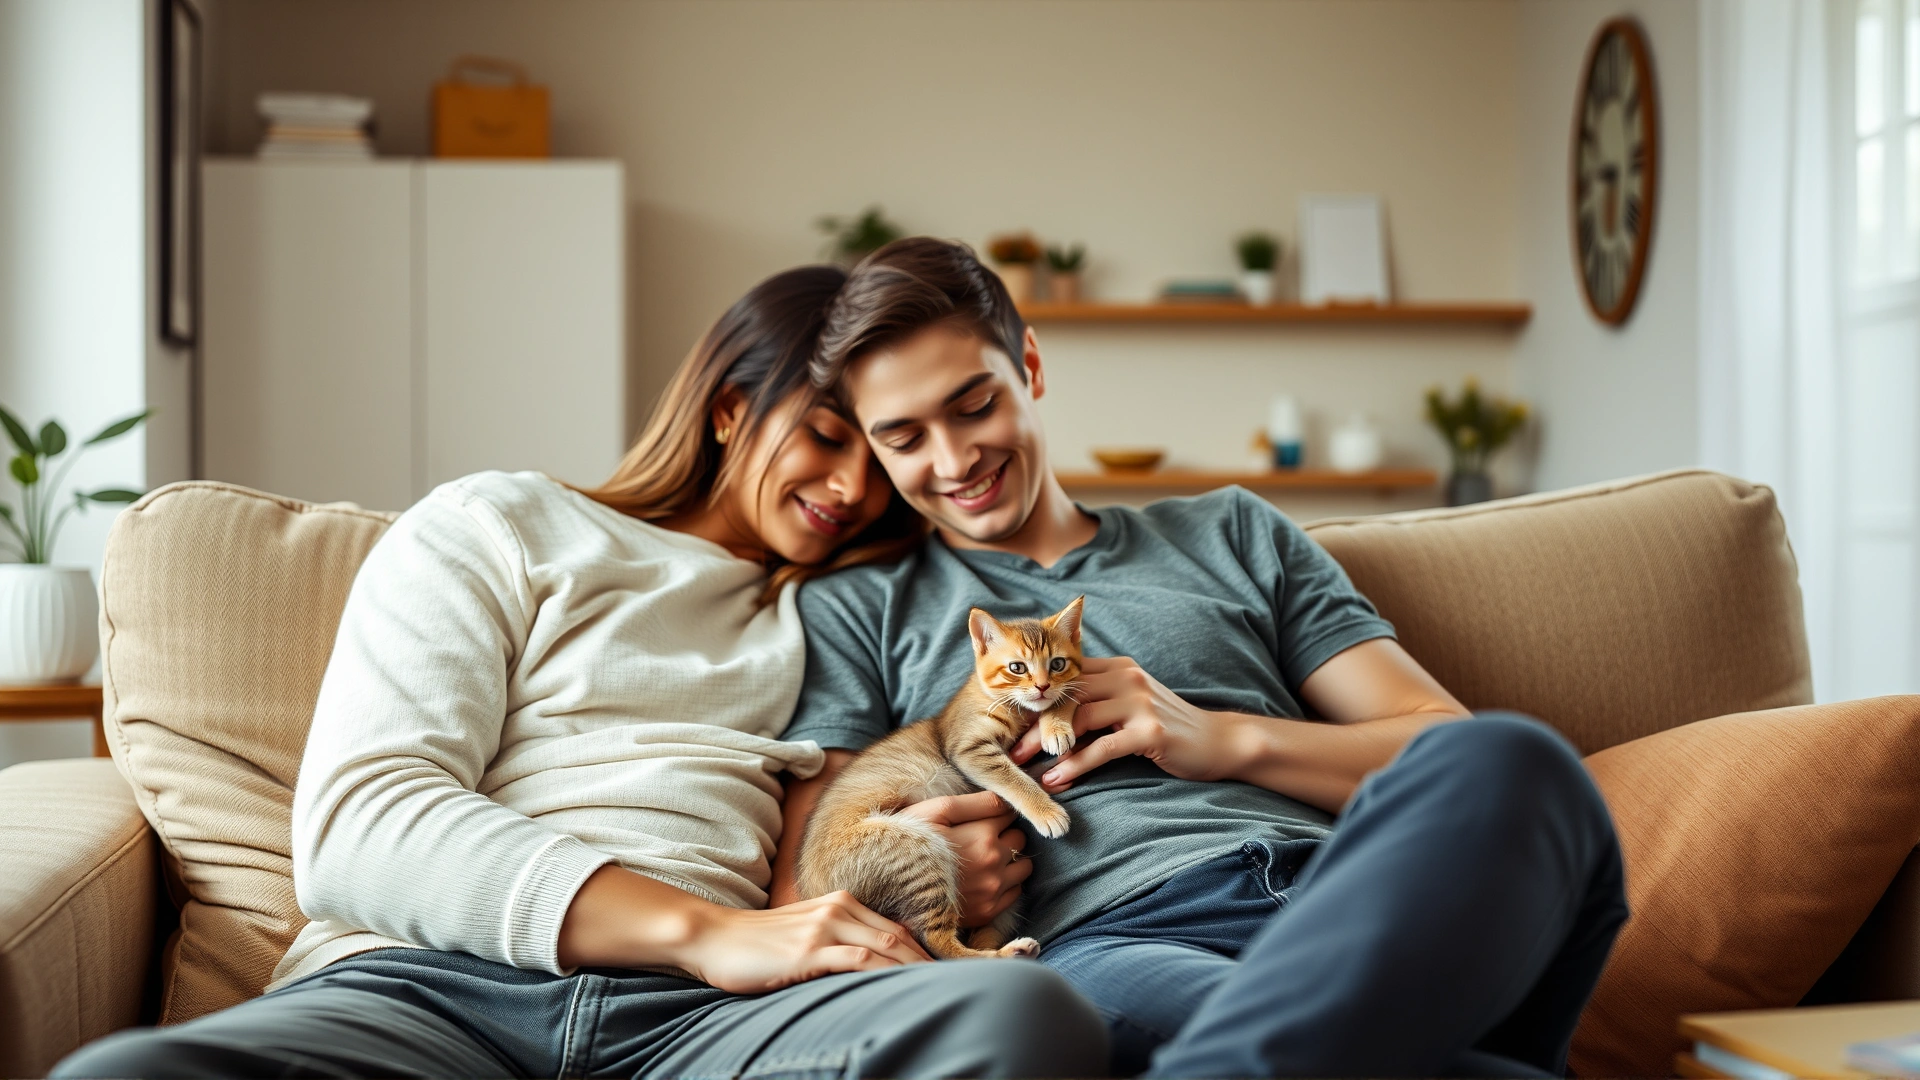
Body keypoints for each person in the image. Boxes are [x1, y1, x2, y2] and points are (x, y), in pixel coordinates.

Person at [55, 266, 1107, 1080]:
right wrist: (711, 932)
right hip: (429, 990)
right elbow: (361, 826)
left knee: (1023, 1017)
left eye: (872, 466)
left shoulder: (842, 610)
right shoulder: (502, 524)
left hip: (709, 1028)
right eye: (821, 437)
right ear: (733, 406)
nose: (847, 488)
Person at [772, 238, 1629, 1079]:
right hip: (1121, 940)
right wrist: (933, 865)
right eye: (905, 438)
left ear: (1028, 367)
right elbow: (807, 895)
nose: (954, 461)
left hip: (1356, 891)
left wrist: (1224, 737)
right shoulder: (858, 607)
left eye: (972, 406)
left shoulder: (1233, 531)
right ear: (873, 448)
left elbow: (1436, 742)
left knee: (1520, 759)